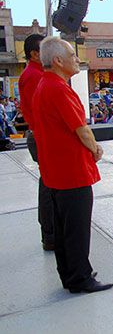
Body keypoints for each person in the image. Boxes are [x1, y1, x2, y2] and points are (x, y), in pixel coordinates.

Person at [32, 36, 112, 293]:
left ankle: (71, 272)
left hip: (56, 170)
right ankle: (80, 278)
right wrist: (95, 148)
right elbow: (81, 128)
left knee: (65, 227)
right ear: (57, 61)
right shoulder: (58, 88)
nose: (77, 60)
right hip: (71, 171)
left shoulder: (45, 85)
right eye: (72, 56)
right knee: (77, 228)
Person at [17, 34, 55, 251]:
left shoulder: (37, 73)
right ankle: (50, 235)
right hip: (42, 136)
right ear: (34, 54)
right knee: (49, 187)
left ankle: (51, 233)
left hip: (41, 135)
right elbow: (41, 112)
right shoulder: (34, 76)